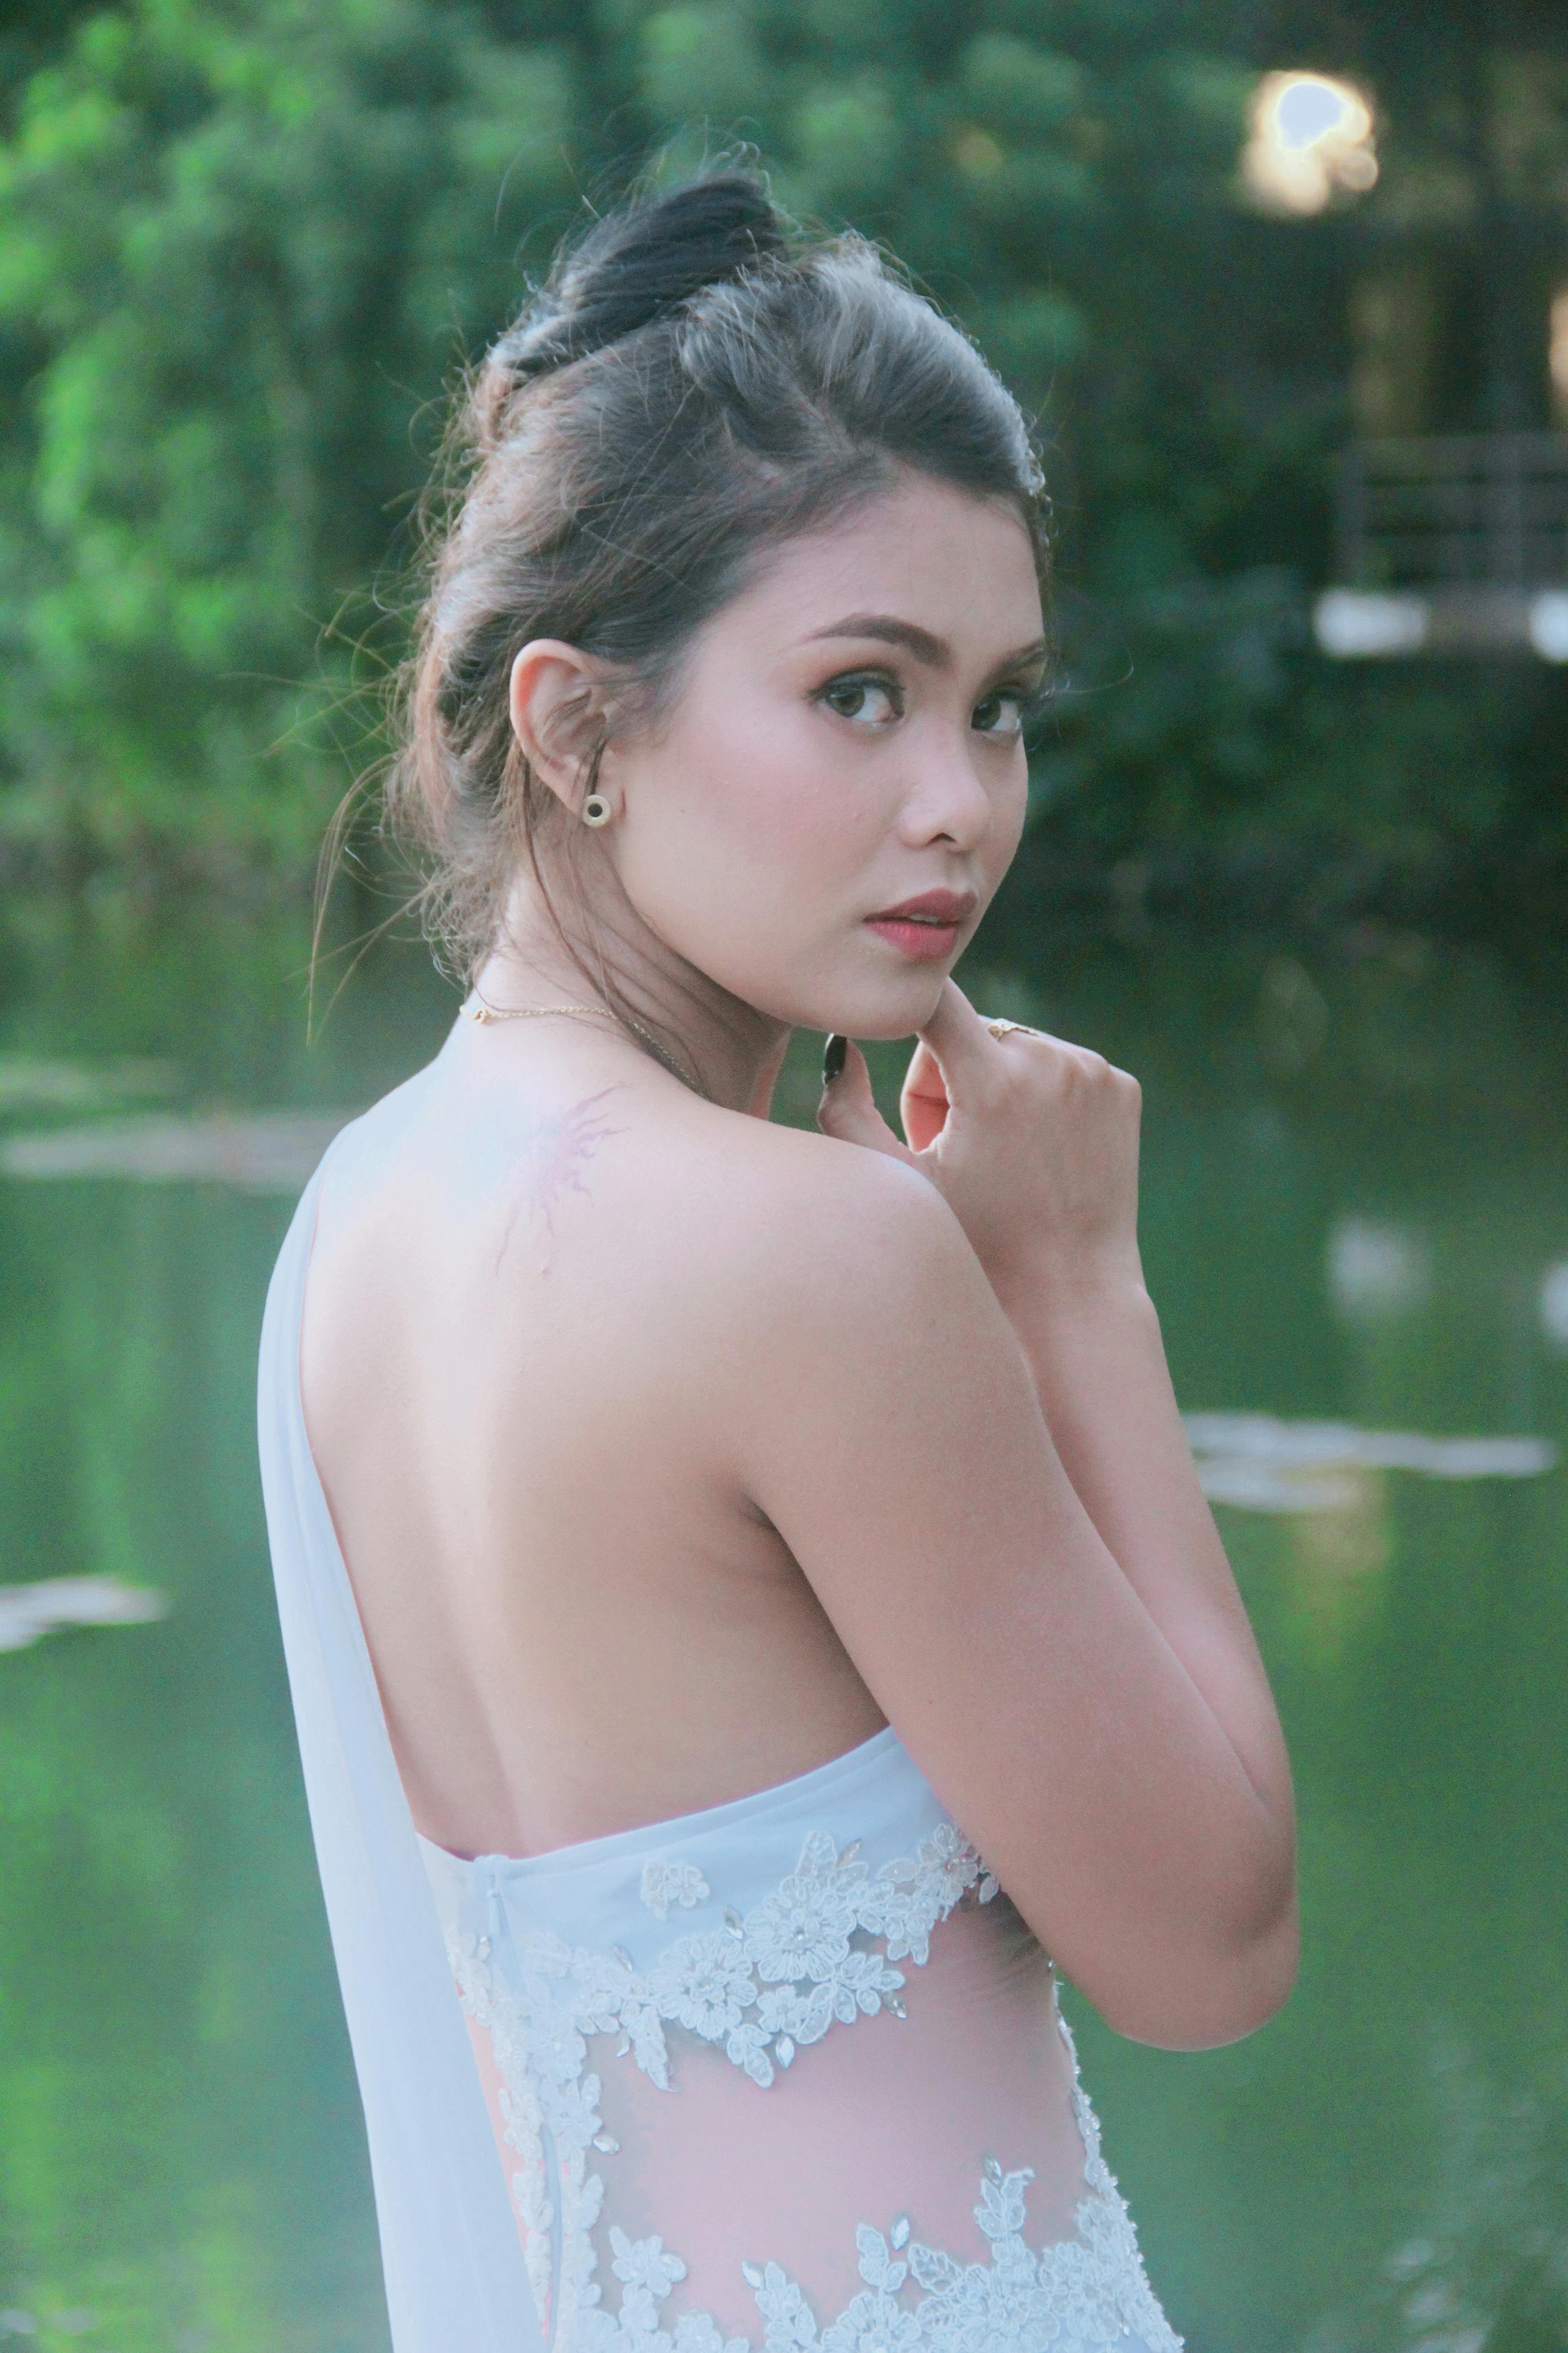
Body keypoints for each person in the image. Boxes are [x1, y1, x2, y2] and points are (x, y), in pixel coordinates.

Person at [257, 169, 1297, 2353]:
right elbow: (1211, 1947)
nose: (959, 803)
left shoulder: (360, 1212)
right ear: (575, 729)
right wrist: (1076, 1293)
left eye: (996, 702)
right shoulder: (817, 1256)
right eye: (857, 693)